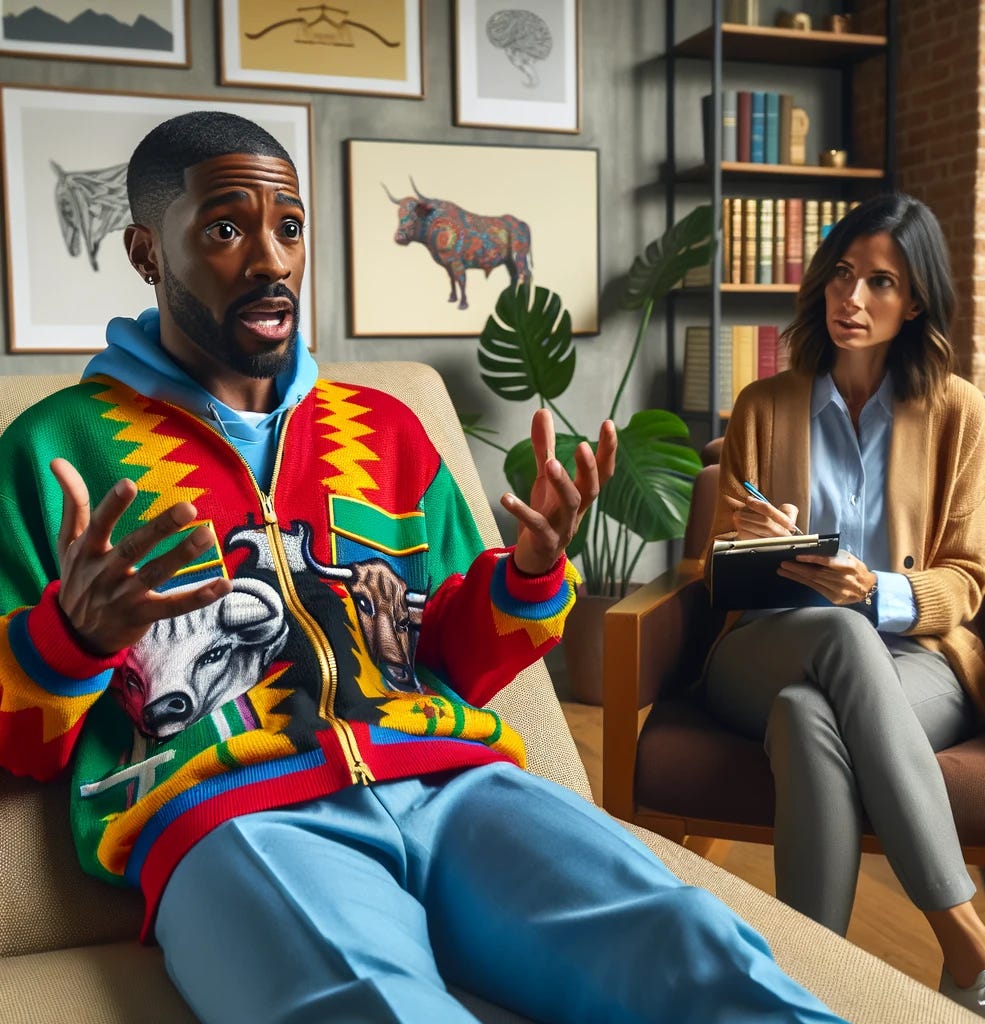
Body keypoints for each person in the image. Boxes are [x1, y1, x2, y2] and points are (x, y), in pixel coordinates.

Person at [0, 110, 847, 1024]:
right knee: (374, 1006)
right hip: (233, 816)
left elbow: (456, 659)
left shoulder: (386, 433)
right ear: (144, 252)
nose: (272, 261)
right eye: (224, 228)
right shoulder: (54, 451)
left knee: (694, 943)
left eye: (288, 228)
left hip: (457, 786)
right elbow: (18, 739)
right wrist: (73, 637)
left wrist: (528, 570)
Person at [700, 192, 985, 1024]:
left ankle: (807, 986)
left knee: (810, 716)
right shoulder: (763, 406)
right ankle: (964, 940)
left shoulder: (957, 411)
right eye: (842, 274)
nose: (853, 298)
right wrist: (766, 550)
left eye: (881, 283)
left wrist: (873, 589)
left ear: (915, 301)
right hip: (762, 646)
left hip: (919, 662)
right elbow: (716, 577)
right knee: (831, 641)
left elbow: (968, 581)